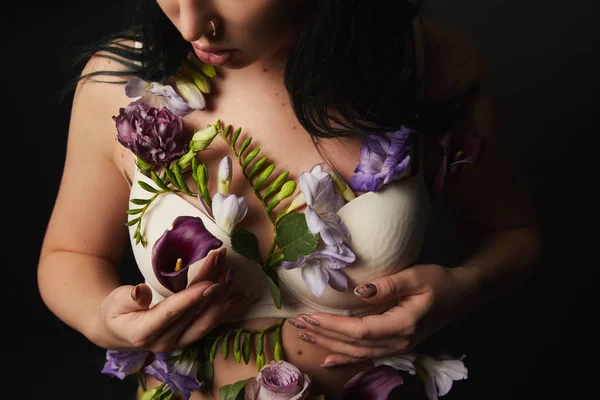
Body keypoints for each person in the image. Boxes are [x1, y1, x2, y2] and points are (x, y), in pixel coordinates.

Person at [37, 0, 542, 399]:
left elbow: (511, 235)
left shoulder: (426, 64)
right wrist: (103, 319)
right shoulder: (122, 87)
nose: (191, 22)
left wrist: (459, 290)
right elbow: (69, 256)